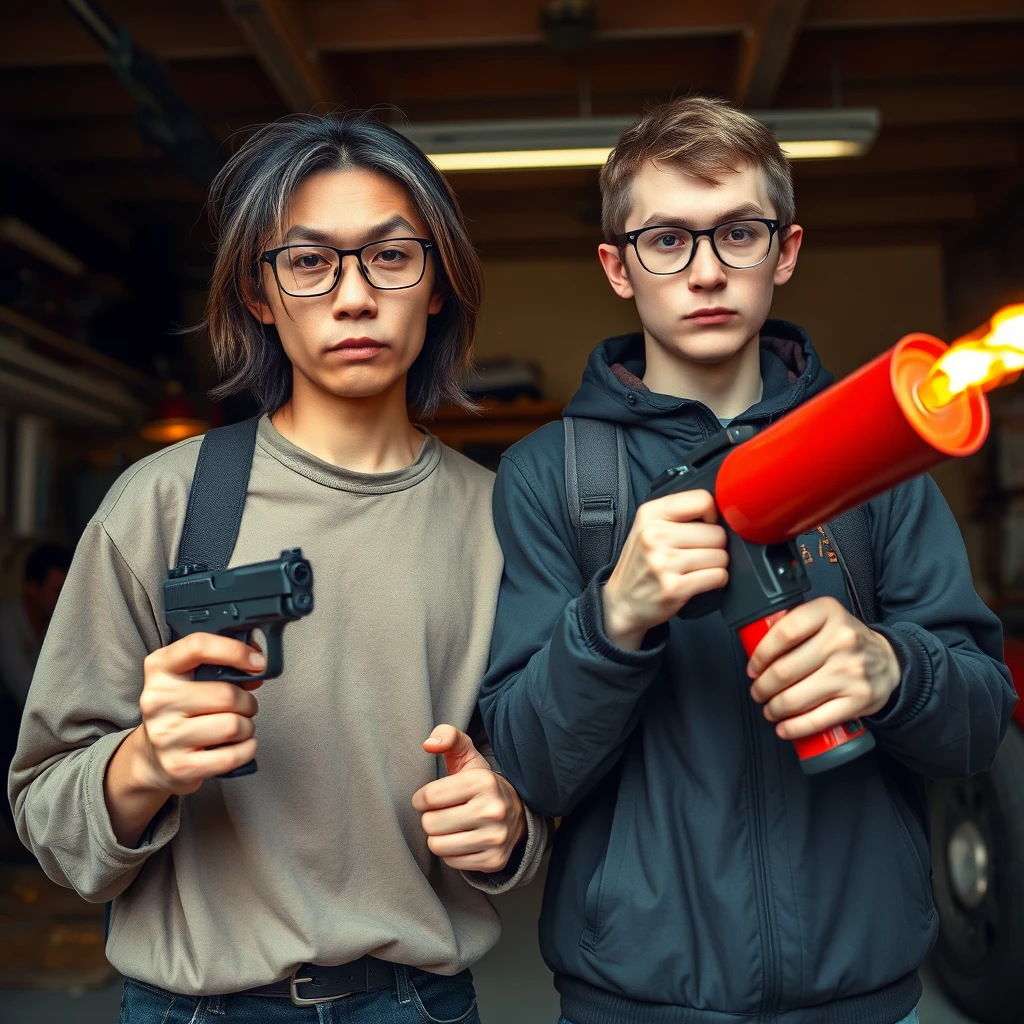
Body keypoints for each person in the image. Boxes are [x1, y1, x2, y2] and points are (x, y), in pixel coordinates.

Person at [479, 96, 1016, 1024]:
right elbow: (527, 768)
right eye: (667, 242)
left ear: (787, 251)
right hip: (630, 1003)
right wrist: (613, 620)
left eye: (739, 234)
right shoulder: (550, 476)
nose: (705, 273)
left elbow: (977, 729)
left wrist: (892, 669)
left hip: (865, 997)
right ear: (617, 266)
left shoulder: (876, 459)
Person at [10, 113, 548, 1023]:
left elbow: (534, 791)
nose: (352, 296)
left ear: (438, 286)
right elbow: (46, 812)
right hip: (196, 1007)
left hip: (421, 1003)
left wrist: (510, 833)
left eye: (390, 257)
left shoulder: (503, 523)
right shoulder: (164, 505)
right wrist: (143, 762)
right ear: (260, 297)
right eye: (308, 261)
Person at [0, 542, 71, 710]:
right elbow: (25, 692)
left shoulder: (58, 623)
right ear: (32, 589)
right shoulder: (6, 623)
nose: (64, 599)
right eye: (57, 591)